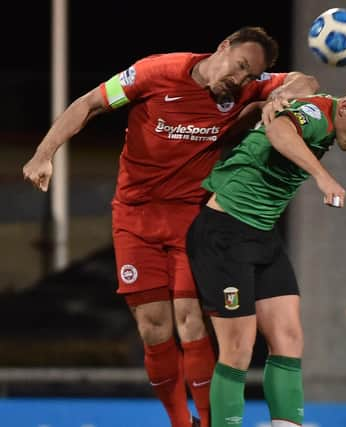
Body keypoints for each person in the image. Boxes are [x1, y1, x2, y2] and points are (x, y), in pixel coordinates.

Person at [22, 27, 319, 427]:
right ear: (223, 47)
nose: (242, 79)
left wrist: (286, 94)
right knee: (154, 329)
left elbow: (307, 81)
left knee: (191, 319)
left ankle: (211, 422)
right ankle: (181, 422)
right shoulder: (157, 72)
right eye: (241, 66)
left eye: (252, 76)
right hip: (134, 216)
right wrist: (44, 154)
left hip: (192, 217)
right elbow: (89, 103)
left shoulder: (247, 89)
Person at [186, 84, 346, 427]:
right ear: (345, 108)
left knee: (289, 337)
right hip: (224, 233)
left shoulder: (324, 115)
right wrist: (323, 177)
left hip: (262, 234)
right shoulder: (317, 117)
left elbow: (300, 86)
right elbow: (279, 130)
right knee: (238, 348)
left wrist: (288, 89)